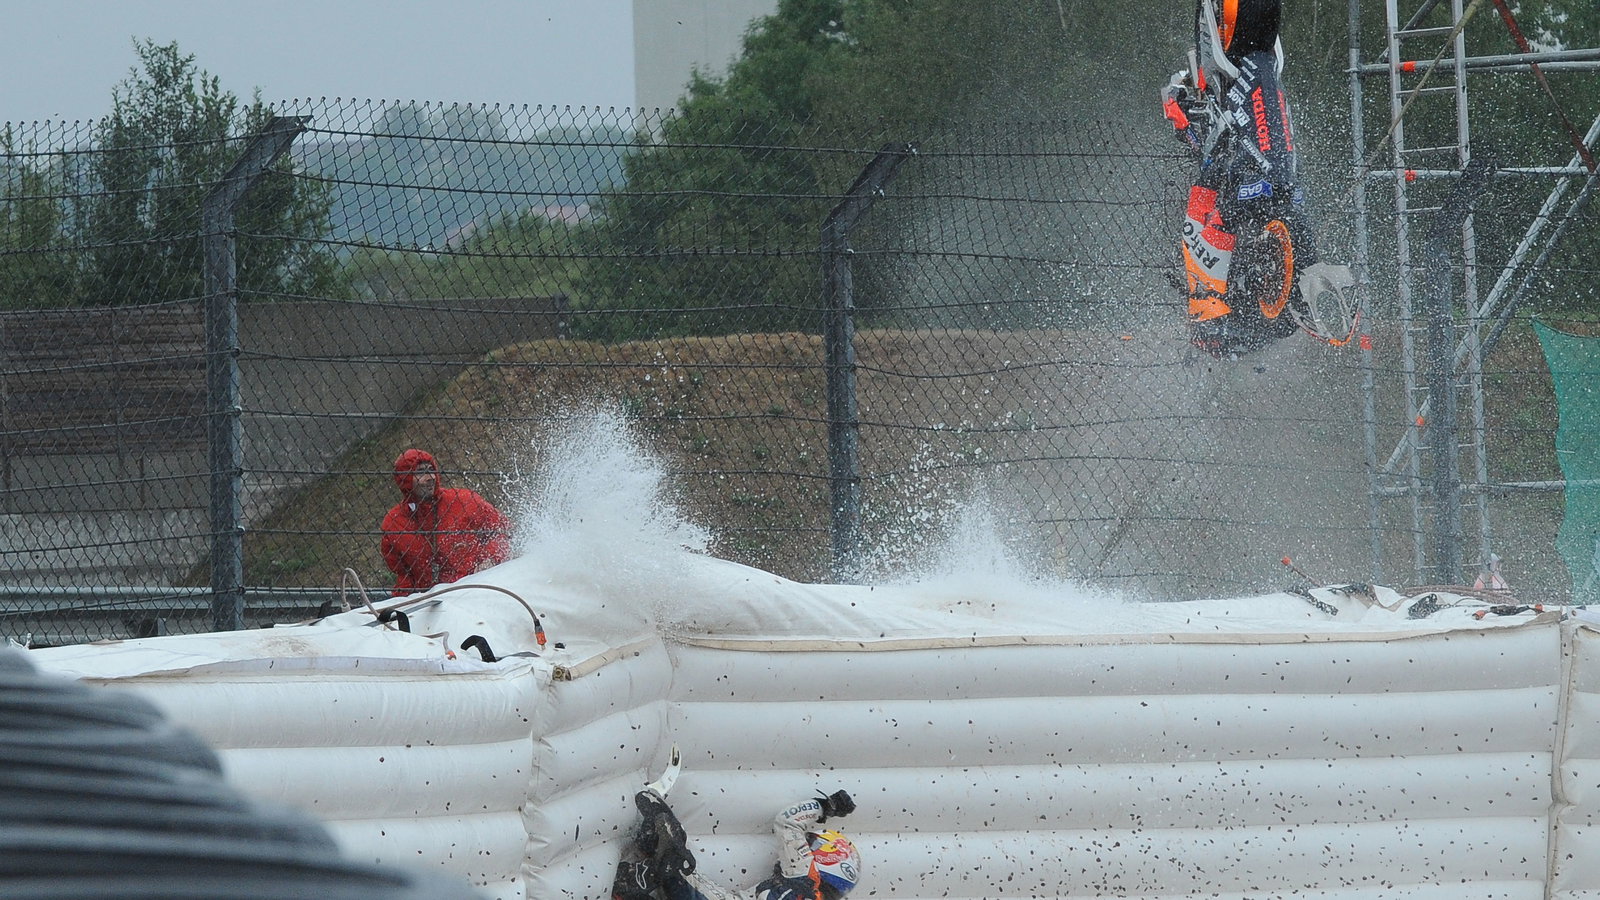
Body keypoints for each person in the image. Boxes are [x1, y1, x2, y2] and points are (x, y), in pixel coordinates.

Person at [612, 789, 861, 900]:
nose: (808, 844)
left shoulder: (807, 874)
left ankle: (645, 872)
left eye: (814, 843)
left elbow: (788, 822)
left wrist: (826, 806)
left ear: (829, 859)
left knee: (678, 857)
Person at [380, 448, 512, 596]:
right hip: (428, 598)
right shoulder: (394, 523)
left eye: (431, 470)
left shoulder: (464, 501)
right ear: (405, 479)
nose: (430, 477)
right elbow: (404, 575)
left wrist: (491, 559)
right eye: (421, 472)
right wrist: (400, 604)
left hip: (477, 587)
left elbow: (503, 530)